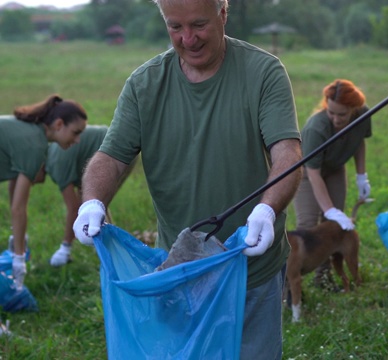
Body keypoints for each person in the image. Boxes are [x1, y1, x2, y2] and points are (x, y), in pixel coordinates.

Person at [71, 0, 302, 358]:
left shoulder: (263, 71)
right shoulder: (145, 84)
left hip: (250, 266)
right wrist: (92, 201)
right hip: (180, 271)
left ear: (223, 14)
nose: (188, 39)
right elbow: (111, 158)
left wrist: (267, 210)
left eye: (198, 25)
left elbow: (287, 152)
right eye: (175, 27)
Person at [1, 94, 87, 290]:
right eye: (75, 132)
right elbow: (18, 208)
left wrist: (17, 238)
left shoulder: (29, 132)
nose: (78, 140)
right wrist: (19, 258)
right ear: (58, 124)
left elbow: (13, 184)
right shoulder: (35, 144)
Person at [292, 79, 372, 291]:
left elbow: (359, 141)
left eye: (342, 114)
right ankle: (291, 285)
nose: (336, 119)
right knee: (308, 225)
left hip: (335, 168)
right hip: (309, 173)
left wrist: (361, 176)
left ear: (354, 109)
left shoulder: (363, 115)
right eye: (331, 113)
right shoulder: (316, 129)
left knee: (332, 228)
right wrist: (329, 209)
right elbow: (314, 173)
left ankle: (323, 277)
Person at [44, 125, 136, 267]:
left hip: (117, 154)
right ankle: (111, 252)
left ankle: (114, 258)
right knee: (95, 204)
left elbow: (74, 209)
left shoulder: (56, 165)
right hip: (122, 147)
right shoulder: (54, 154)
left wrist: (65, 248)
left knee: (94, 205)